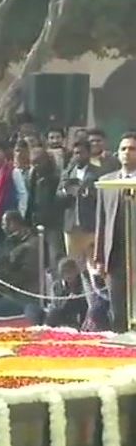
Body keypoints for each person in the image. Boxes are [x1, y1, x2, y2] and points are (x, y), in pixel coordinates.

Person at [94, 132, 136, 333]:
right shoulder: (106, 182)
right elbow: (101, 222)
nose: (127, 153)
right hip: (115, 255)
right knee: (118, 308)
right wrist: (99, 258)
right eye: (123, 149)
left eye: (132, 149)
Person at [56, 140, 101, 262]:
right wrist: (67, 191)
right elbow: (58, 194)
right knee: (74, 262)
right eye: (75, 153)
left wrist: (87, 193)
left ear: (88, 153)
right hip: (71, 227)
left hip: (90, 225)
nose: (78, 156)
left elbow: (102, 196)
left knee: (93, 262)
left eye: (81, 153)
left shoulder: (97, 172)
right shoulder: (67, 173)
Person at [27, 146, 65, 270]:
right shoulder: (33, 176)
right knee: (39, 259)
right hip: (37, 222)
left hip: (54, 223)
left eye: (39, 162)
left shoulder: (55, 176)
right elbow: (31, 199)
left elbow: (58, 200)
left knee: (55, 257)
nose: (36, 166)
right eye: (33, 163)